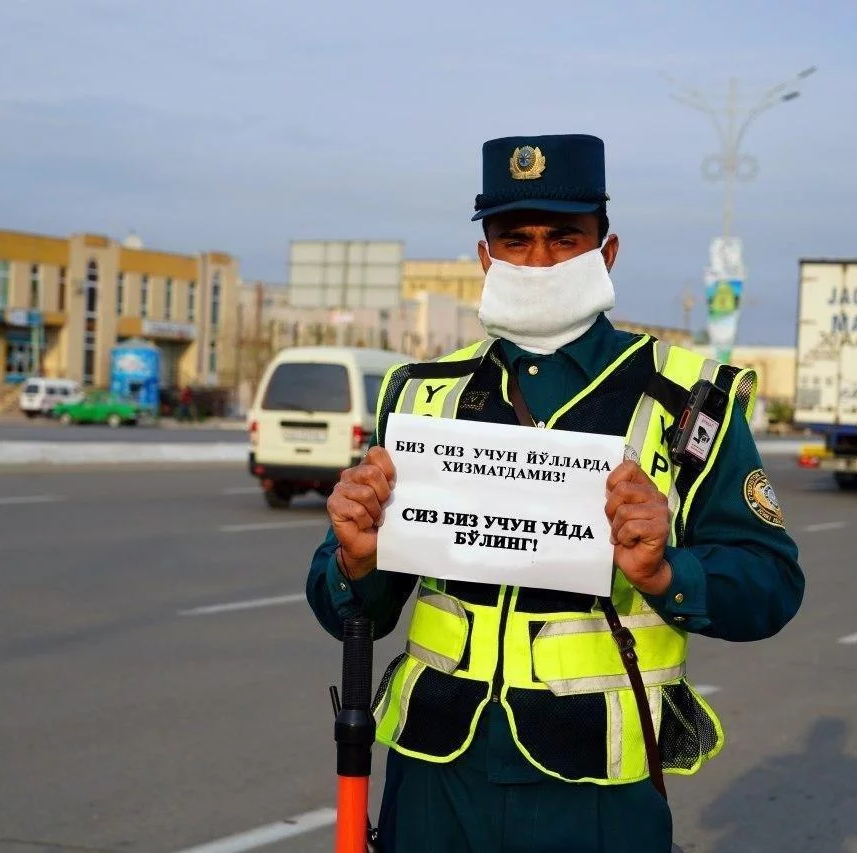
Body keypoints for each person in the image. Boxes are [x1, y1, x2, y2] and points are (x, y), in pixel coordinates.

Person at [305, 133, 805, 853]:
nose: (538, 261)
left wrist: (668, 573)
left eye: (564, 237)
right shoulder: (421, 396)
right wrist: (353, 563)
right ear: (485, 257)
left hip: (595, 794)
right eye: (515, 239)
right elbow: (346, 607)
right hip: (437, 779)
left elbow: (772, 584)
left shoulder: (686, 402)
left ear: (607, 253)